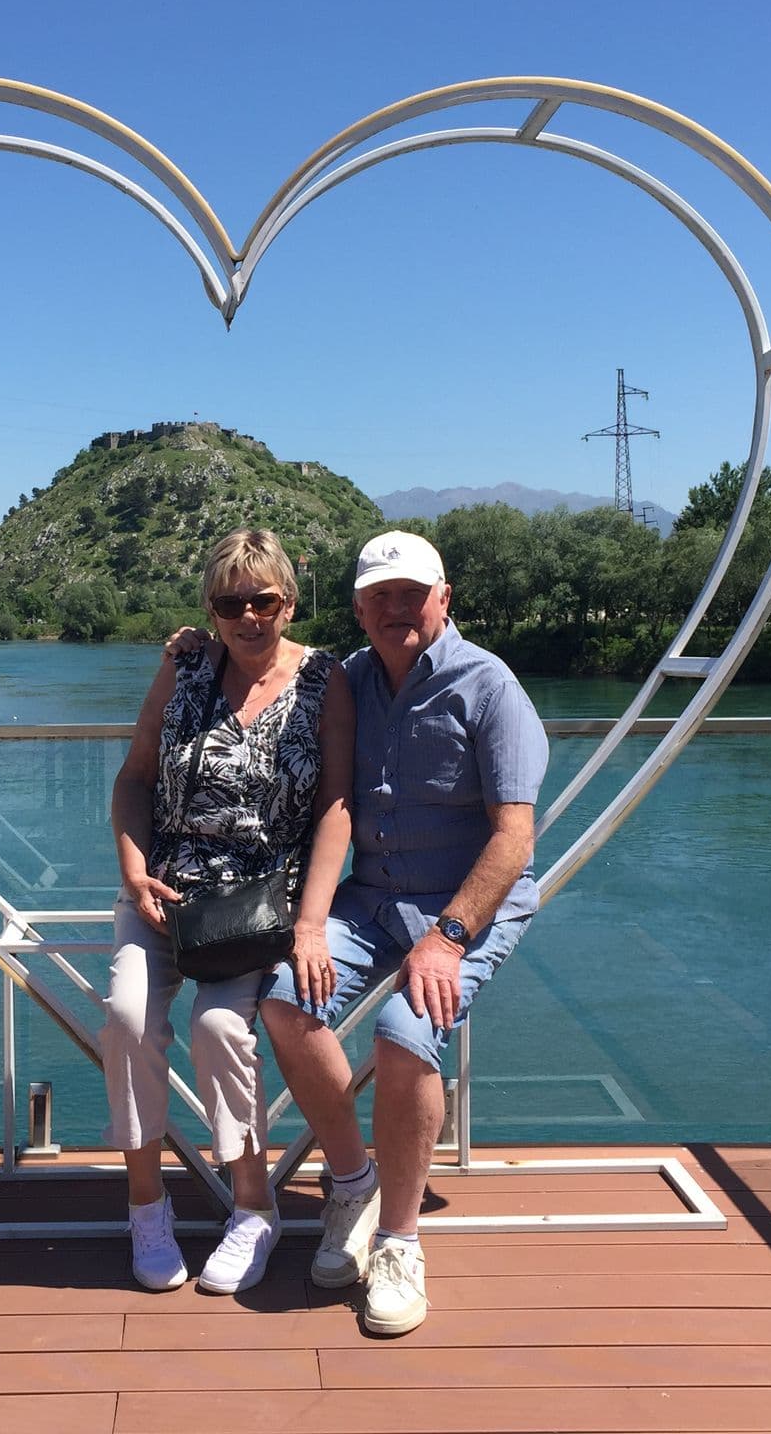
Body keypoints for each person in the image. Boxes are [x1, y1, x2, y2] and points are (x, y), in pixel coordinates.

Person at [260, 530, 547, 1336]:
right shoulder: (350, 680)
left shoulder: (489, 687)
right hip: (374, 896)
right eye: (379, 596)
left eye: (412, 593)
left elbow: (515, 838)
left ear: (444, 597)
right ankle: (351, 1183)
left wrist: (450, 936)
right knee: (285, 1004)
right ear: (357, 607)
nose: (397, 609)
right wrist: (188, 648)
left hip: (466, 902)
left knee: (402, 1034)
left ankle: (399, 1239)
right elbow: (260, 655)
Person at [105, 528, 354, 1294]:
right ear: (209, 610)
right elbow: (135, 780)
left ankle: (254, 1207)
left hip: (258, 907)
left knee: (218, 1029)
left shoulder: (324, 680)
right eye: (228, 603)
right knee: (125, 1017)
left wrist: (311, 923)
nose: (248, 617)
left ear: (289, 600)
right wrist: (136, 872)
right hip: (165, 897)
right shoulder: (182, 667)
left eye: (263, 600)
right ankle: (146, 1205)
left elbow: (337, 807)